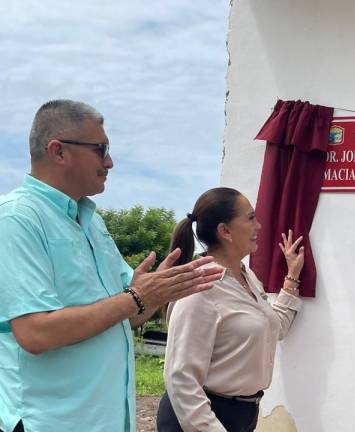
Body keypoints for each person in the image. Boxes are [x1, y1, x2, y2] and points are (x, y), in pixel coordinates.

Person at [0, 100, 223, 432]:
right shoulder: (18, 218)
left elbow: (129, 312)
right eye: (100, 149)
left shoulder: (92, 224)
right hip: (48, 422)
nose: (110, 162)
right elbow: (35, 332)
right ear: (58, 151)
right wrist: (136, 296)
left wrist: (157, 291)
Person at [156, 187, 305, 432]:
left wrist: (292, 278)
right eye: (250, 218)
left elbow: (274, 328)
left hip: (242, 415)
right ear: (225, 231)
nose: (258, 226)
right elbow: (181, 380)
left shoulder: (247, 279)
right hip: (202, 417)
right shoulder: (199, 286)